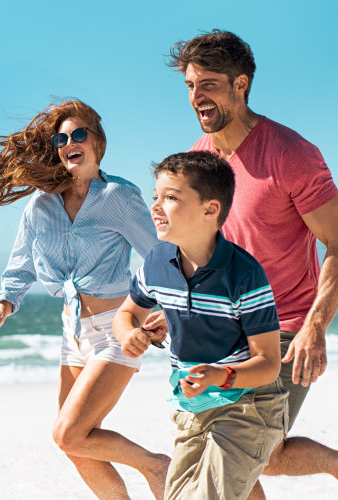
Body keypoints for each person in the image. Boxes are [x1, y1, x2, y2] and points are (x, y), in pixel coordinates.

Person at [0, 99, 170, 499]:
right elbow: (20, 266)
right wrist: (3, 307)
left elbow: (159, 256)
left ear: (97, 141)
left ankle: (156, 465)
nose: (70, 142)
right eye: (61, 138)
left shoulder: (119, 196)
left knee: (69, 431)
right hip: (71, 334)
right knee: (73, 444)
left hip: (116, 329)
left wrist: (163, 310)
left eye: (79, 134)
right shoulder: (39, 206)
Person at [162, 29, 338, 496]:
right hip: (219, 331)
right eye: (190, 86)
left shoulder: (290, 154)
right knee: (256, 456)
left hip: (281, 330)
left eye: (209, 84)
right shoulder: (198, 163)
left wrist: (315, 326)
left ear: (241, 85)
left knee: (246, 452)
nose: (197, 96)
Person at [114, 151, 288, 499]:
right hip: (192, 404)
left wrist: (219, 376)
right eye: (156, 197)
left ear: (210, 210)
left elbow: (268, 364)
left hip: (247, 405)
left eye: (172, 198)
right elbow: (126, 313)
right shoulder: (156, 262)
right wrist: (129, 333)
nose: (156, 207)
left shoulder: (245, 274)